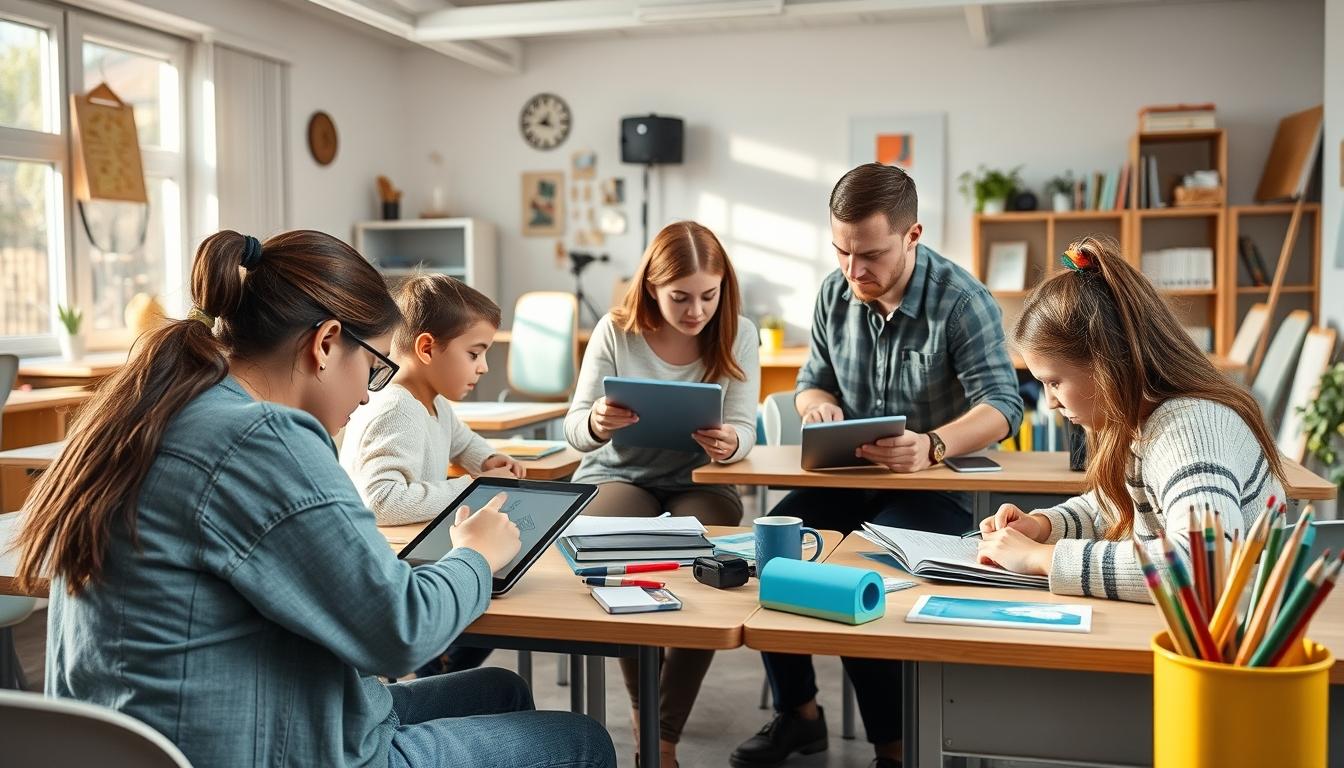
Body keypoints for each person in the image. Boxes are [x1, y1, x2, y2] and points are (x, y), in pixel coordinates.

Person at [14, 230, 616, 768]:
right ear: (326, 343)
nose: (370, 393)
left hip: (154, 737)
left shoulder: (156, 407)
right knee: (582, 739)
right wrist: (476, 556)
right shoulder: (264, 435)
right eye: (377, 367)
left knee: (500, 693)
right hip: (252, 744)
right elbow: (399, 632)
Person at [732, 163, 1023, 768]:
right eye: (840, 251)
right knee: (773, 549)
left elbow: (1003, 404)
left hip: (932, 494)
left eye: (870, 255)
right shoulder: (833, 293)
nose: (853, 271)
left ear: (912, 235)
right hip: (848, 483)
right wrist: (818, 406)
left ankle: (894, 747)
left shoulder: (962, 302)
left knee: (863, 572)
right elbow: (811, 383)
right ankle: (800, 716)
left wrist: (934, 445)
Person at [976, 236, 1285, 600]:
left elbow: (1202, 565)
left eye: (1055, 382)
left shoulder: (1192, 431)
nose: (1051, 403)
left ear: (1106, 364)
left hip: (1226, 647)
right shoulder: (1145, 421)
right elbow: (1114, 507)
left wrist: (1042, 557)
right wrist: (1043, 526)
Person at [565, 220, 760, 768]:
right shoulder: (616, 330)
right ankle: (644, 716)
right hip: (617, 473)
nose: (696, 310)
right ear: (651, 286)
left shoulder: (737, 331)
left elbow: (745, 427)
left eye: (708, 295)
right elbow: (574, 427)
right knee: (621, 545)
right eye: (680, 297)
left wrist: (731, 442)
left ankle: (663, 733)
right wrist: (599, 423)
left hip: (699, 480)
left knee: (711, 560)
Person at [339, 274, 523, 677]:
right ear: (427, 348)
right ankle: (434, 670)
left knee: (500, 584)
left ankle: (439, 665)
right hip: (394, 562)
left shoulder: (431, 401)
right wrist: (471, 489)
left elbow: (463, 441)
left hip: (419, 546)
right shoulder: (397, 409)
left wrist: (488, 459)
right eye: (475, 353)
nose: (484, 366)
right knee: (492, 592)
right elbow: (382, 501)